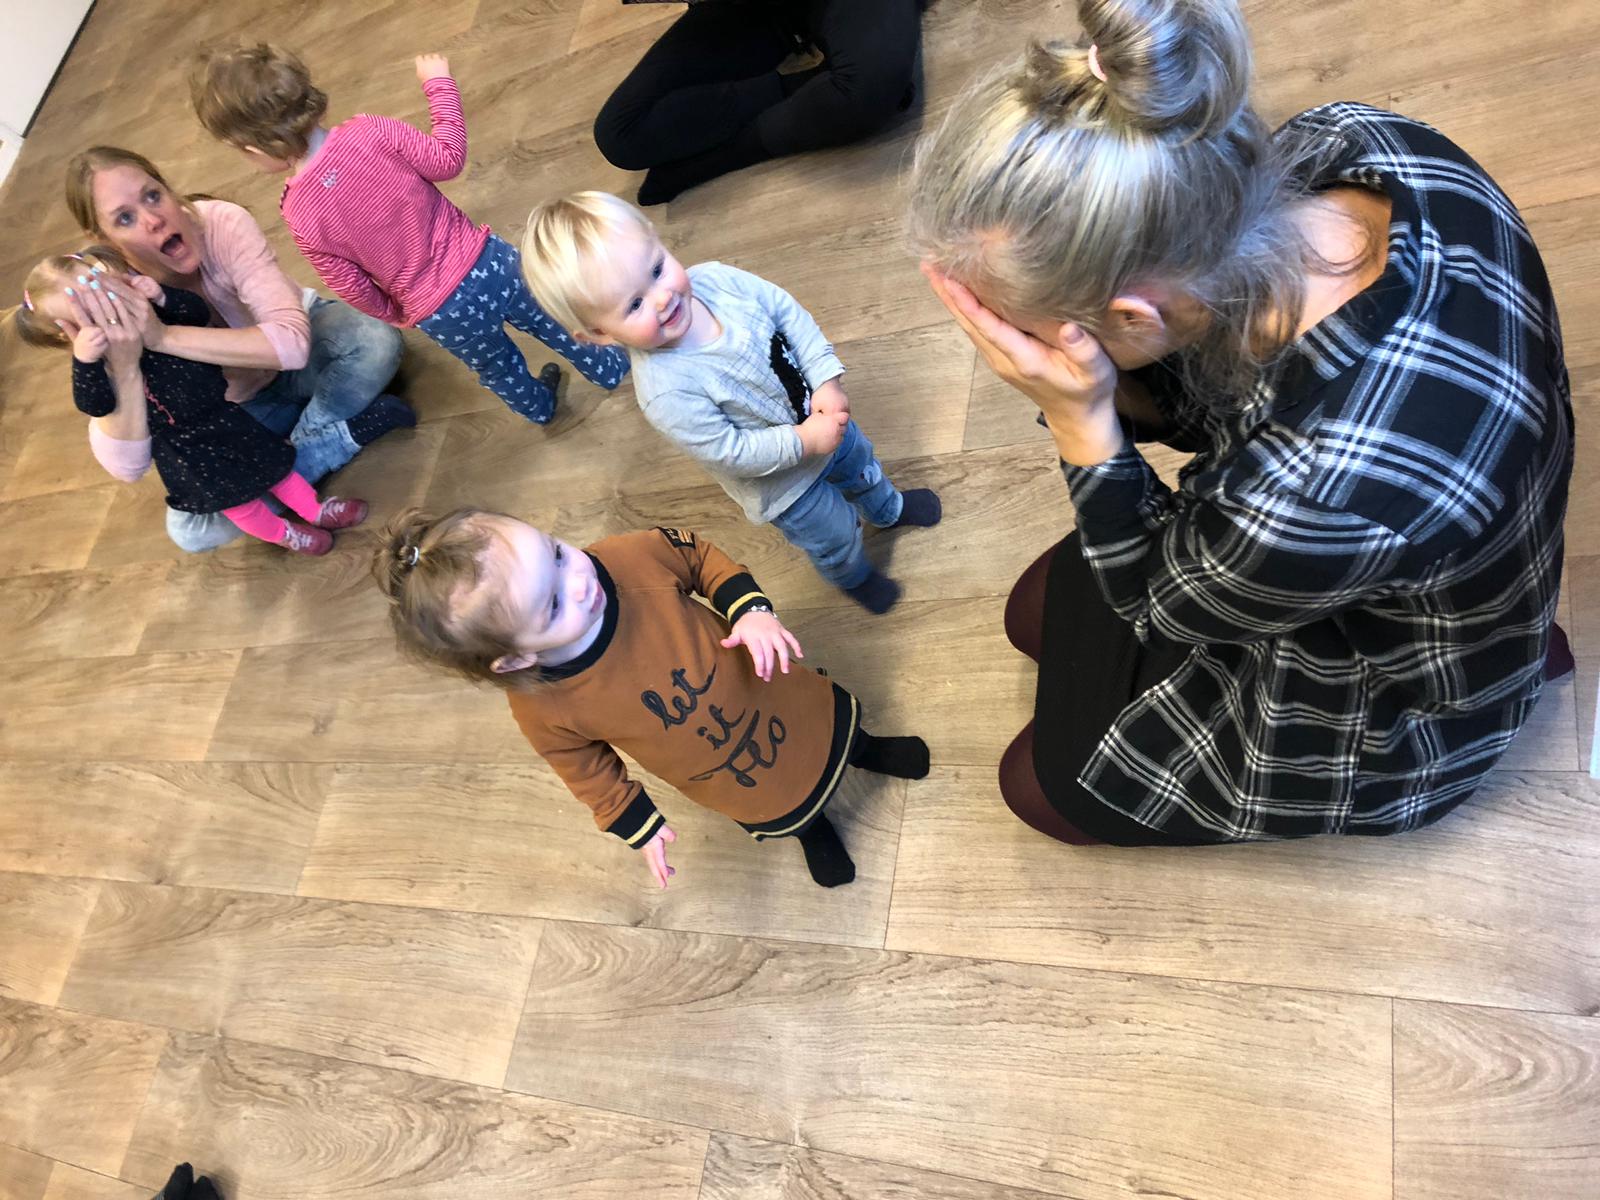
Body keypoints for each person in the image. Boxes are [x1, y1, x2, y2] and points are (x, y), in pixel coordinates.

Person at [906, 0, 1571, 845]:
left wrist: (1076, 415)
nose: (1009, 349)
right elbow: (1211, 407)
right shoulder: (1358, 139)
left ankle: (1458, 741)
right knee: (1031, 612)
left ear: (1133, 317)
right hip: (1418, 540)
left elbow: (1158, 608)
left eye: (1021, 330)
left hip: (1399, 690)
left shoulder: (1312, 490)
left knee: (1030, 785)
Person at [375, 511, 931, 887]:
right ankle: (813, 831)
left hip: (773, 689)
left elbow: (698, 558)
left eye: (558, 554)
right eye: (552, 606)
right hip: (730, 771)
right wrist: (635, 822)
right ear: (515, 659)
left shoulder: (627, 560)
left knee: (827, 724)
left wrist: (751, 611)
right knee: (779, 803)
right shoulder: (542, 706)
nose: (579, 581)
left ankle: (867, 749)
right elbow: (583, 768)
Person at [520, 191, 942, 613]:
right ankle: (854, 575)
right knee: (834, 534)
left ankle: (888, 509)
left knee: (863, 467)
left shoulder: (718, 280)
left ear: (658, 239)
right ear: (599, 334)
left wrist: (826, 381)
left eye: (657, 269)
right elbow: (730, 452)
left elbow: (786, 313)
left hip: (826, 416)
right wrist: (805, 442)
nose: (662, 298)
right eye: (634, 304)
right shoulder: (666, 391)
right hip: (786, 486)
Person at [189, 45, 629, 423]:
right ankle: (609, 368)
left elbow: (352, 287)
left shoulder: (298, 213)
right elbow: (448, 159)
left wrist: (398, 313)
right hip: (489, 263)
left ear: (254, 149)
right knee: (550, 319)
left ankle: (538, 407)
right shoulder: (371, 131)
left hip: (437, 311)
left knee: (497, 367)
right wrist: (439, 85)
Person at [63, 145, 407, 553]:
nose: (153, 220)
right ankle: (334, 440)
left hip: (300, 363)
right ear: (104, 240)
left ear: (168, 188)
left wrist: (162, 338)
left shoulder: (221, 221)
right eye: (125, 218)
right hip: (233, 417)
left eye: (153, 195)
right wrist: (121, 369)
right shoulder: (109, 298)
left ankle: (280, 470)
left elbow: (293, 347)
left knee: (374, 342)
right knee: (191, 532)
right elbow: (126, 467)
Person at [15, 248, 366, 555]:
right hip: (185, 454)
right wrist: (85, 360)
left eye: (102, 294)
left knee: (277, 468)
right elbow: (94, 404)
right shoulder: (99, 364)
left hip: (224, 415)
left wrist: (161, 296)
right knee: (239, 505)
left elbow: (195, 313)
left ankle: (316, 510)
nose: (107, 314)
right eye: (86, 315)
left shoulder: (149, 314)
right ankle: (285, 535)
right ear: (67, 333)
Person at [593, 0, 924, 205]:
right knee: (621, 135)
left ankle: (726, 155)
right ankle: (824, 83)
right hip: (751, 12)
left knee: (869, 86)